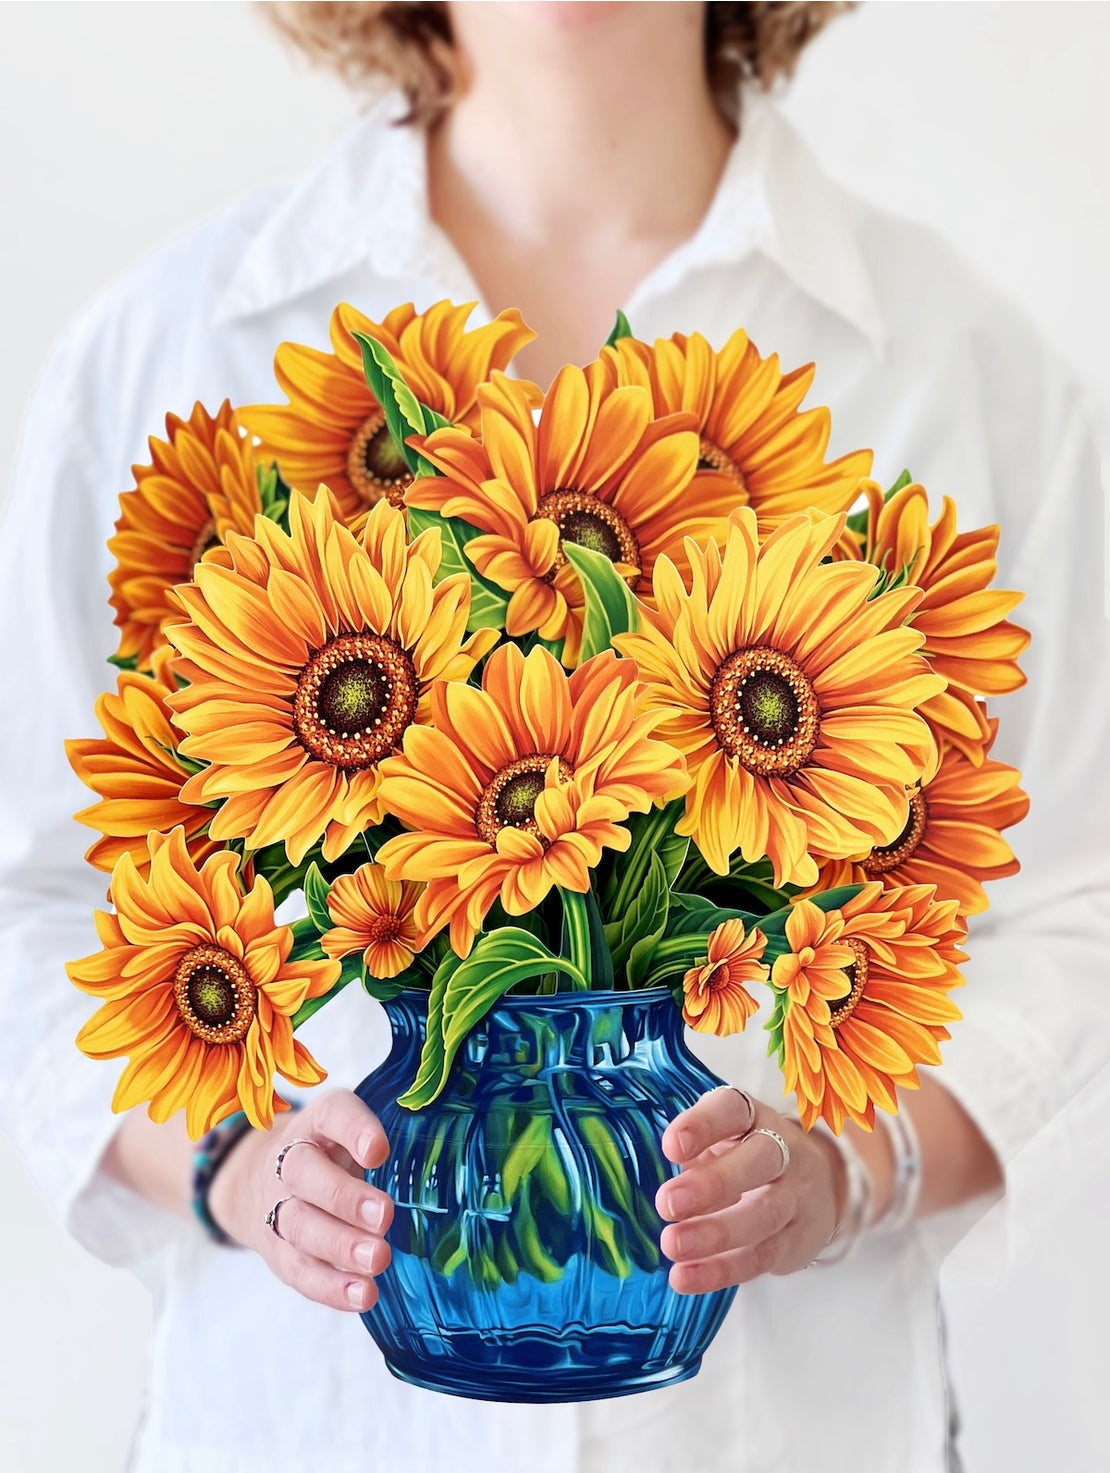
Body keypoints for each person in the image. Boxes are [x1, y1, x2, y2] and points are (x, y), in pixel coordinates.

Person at [0, 3, 1107, 1470]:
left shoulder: (965, 365)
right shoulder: (170, 342)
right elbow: (38, 899)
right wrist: (235, 1163)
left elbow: (1070, 904)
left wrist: (850, 1167)